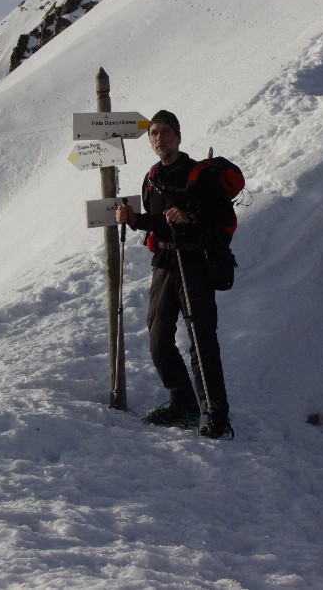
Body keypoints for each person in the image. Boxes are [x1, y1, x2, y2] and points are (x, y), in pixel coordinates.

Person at [116, 110, 234, 439]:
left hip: (195, 261)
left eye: (165, 132)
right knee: (157, 338)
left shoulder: (200, 174)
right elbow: (159, 221)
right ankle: (182, 402)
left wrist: (191, 217)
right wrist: (134, 219)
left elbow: (224, 216)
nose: (159, 138)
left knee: (201, 339)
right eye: (154, 133)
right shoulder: (152, 177)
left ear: (178, 137)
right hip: (166, 262)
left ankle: (216, 415)